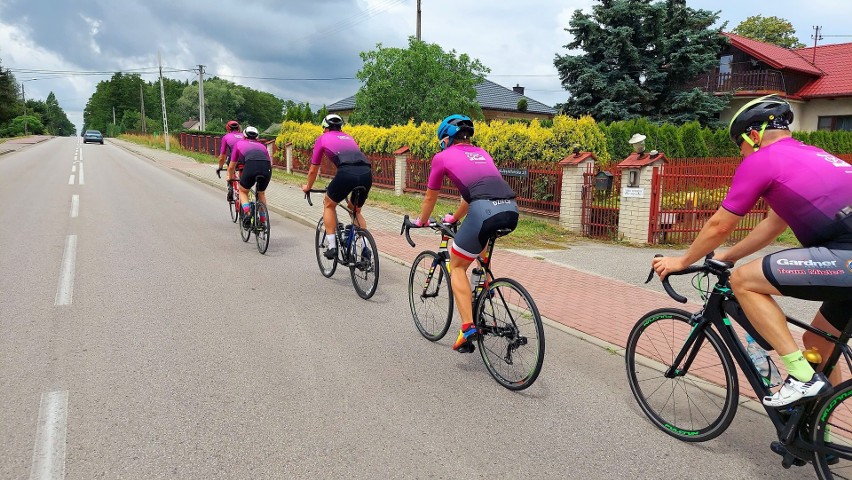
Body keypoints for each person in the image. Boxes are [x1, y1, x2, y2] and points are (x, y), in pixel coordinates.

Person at [652, 94, 852, 407]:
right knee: (817, 343)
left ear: (754, 136)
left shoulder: (762, 159)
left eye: (740, 145)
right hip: (844, 258)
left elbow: (720, 225)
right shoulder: (810, 155)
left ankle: (800, 375)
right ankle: (819, 434)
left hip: (846, 256)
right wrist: (724, 257)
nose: (741, 154)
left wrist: (683, 261)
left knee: (743, 281)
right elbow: (774, 225)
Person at [413, 114, 519, 353]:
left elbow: (431, 196)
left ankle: (468, 327)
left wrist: (420, 221)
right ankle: (484, 288)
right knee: (479, 247)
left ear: (446, 139)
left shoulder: (441, 157)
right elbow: (473, 195)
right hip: (510, 210)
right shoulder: (482, 153)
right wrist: (454, 218)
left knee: (458, 265)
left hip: (483, 211)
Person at [301, 114, 372, 260]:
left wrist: (308, 186)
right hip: (366, 173)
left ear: (325, 128)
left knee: (329, 204)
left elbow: (314, 169)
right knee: (355, 210)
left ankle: (332, 246)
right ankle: (366, 247)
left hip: (346, 174)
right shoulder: (349, 137)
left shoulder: (322, 139)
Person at [228, 126, 272, 229]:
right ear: (257, 137)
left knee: (243, 191)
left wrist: (230, 177)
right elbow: (269, 161)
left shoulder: (239, 144)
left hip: (251, 166)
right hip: (267, 168)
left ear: (243, 136)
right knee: (261, 193)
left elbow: (231, 166)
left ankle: (247, 214)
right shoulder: (262, 146)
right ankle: (262, 221)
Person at [218, 120, 244, 202]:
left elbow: (222, 157)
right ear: (238, 128)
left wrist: (220, 167)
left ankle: (230, 187)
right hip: (247, 160)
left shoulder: (226, 137)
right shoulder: (244, 135)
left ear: (228, 129)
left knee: (230, 168)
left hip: (234, 160)